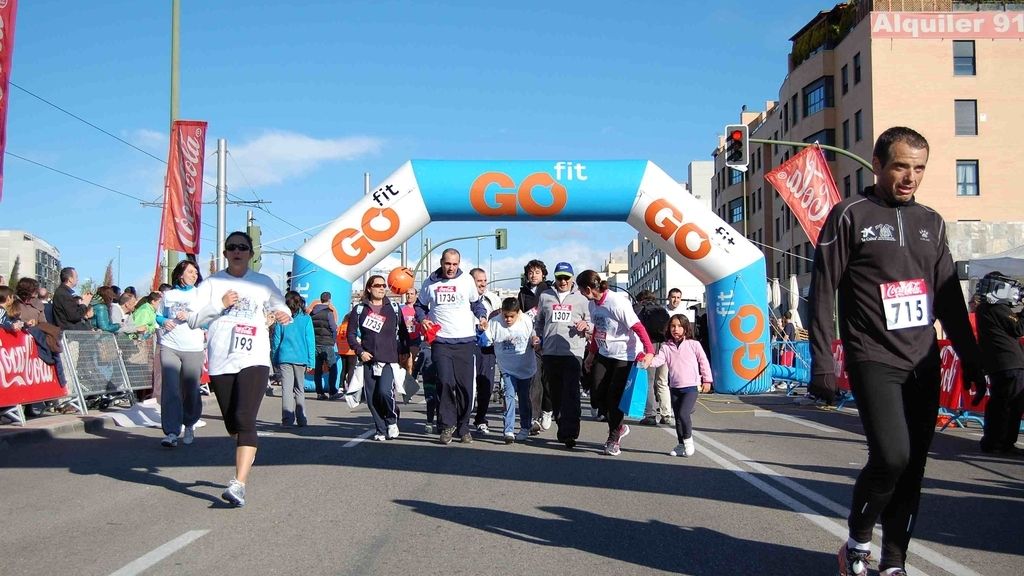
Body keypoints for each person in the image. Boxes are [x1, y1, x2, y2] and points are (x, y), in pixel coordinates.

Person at [808, 127, 987, 576]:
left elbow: (948, 298)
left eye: (919, 168)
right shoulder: (850, 214)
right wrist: (823, 363)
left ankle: (894, 562)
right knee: (891, 456)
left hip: (922, 361)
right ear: (878, 165)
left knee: (913, 468)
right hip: (873, 357)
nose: (910, 177)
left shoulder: (932, 222)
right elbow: (823, 290)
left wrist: (971, 358)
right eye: (901, 166)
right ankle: (857, 543)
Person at [183, 230, 291, 508]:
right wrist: (220, 305)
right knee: (233, 423)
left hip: (254, 357)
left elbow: (283, 308)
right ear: (225, 253)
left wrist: (283, 315)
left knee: (245, 418)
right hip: (221, 360)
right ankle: (247, 442)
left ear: (251, 254)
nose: (237, 251)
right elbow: (194, 319)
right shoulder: (212, 283)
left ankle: (239, 484)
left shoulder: (263, 283)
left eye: (243, 247)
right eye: (232, 247)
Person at [576, 269, 654, 456]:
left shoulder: (617, 303)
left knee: (614, 397)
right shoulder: (593, 305)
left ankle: (613, 438)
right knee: (595, 392)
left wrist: (649, 351)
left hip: (624, 355)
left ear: (588, 289)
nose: (579, 293)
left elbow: (638, 327)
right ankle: (619, 427)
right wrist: (591, 355)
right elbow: (598, 330)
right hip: (604, 353)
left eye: (580, 290)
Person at [415, 248, 486, 445]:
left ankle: (463, 427)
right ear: (441, 262)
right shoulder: (430, 282)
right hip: (441, 340)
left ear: (459, 264)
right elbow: (419, 306)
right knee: (445, 382)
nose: (451, 268)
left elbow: (476, 304)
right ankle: (447, 425)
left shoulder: (466, 281)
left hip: (465, 340)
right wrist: (423, 319)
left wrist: (482, 316)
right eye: (448, 264)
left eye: (455, 264)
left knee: (465, 387)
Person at [534, 261, 590, 448]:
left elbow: (592, 321)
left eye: (566, 278)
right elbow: (539, 321)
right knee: (555, 392)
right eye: (559, 278)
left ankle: (571, 432)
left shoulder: (582, 298)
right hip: (550, 351)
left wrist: (586, 326)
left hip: (573, 351)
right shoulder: (545, 296)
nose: (563, 281)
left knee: (571, 392)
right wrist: (538, 339)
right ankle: (561, 426)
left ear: (572, 278)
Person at [347, 274, 409, 440]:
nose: (382, 288)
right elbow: (351, 335)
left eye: (383, 286)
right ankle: (380, 429)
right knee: (372, 398)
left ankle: (391, 419)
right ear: (369, 288)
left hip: (389, 359)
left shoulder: (394, 308)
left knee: (384, 392)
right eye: (377, 285)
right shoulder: (360, 310)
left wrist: (406, 351)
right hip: (368, 360)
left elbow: (403, 332)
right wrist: (360, 351)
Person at [155, 260, 206, 447]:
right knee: (171, 389)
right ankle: (171, 432)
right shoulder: (168, 295)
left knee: (191, 389)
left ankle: (190, 422)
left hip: (193, 347)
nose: (194, 275)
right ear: (180, 274)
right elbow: (158, 315)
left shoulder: (200, 295)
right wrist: (163, 321)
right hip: (170, 344)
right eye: (191, 272)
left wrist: (191, 317)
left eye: (196, 272)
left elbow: (208, 320)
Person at [647, 314, 712, 457]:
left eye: (679, 326)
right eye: (672, 326)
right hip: (675, 387)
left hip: (691, 387)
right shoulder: (666, 347)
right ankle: (680, 444)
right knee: (677, 418)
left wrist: (707, 380)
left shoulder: (693, 344)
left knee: (683, 414)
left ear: (685, 328)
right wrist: (646, 361)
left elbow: (703, 361)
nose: (675, 329)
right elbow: (658, 360)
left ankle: (688, 441)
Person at [974, 272, 1024, 455]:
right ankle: (1001, 443)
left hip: (1000, 364)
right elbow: (1018, 328)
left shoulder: (985, 309)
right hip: (1009, 364)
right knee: (1010, 406)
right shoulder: (998, 309)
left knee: (999, 404)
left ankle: (993, 441)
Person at [483, 298, 538, 443]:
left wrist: (535, 341)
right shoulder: (495, 322)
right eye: (505, 316)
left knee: (524, 397)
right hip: (507, 367)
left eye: (511, 316)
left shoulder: (526, 320)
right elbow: (486, 340)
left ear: (518, 313)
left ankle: (525, 427)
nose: (508, 319)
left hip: (525, 367)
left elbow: (533, 335)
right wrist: (481, 330)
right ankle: (508, 430)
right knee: (509, 396)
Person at [518, 259, 554, 432]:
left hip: (550, 339)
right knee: (535, 378)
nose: (533, 275)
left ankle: (547, 410)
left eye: (537, 272)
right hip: (531, 340)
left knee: (549, 379)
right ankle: (534, 417)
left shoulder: (549, 291)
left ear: (543, 274)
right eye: (530, 272)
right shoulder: (522, 292)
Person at [271, 290, 315, 428]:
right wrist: (311, 361)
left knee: (286, 389)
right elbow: (310, 340)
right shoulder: (306, 318)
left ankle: (287, 419)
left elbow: (276, 341)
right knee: (299, 389)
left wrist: (274, 358)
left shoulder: (282, 318)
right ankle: (302, 419)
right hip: (301, 357)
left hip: (284, 356)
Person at [471, 267, 502, 433]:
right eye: (479, 281)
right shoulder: (464, 299)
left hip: (487, 347)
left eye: (484, 281)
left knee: (486, 384)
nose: (482, 284)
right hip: (468, 344)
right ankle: (460, 418)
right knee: (468, 384)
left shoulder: (492, 299)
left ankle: (481, 418)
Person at [634, 289, 672, 426]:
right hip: (664, 345)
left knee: (648, 381)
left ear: (640, 299)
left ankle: (650, 415)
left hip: (648, 346)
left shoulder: (639, 309)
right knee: (662, 381)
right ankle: (666, 413)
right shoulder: (661, 310)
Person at [309, 292, 341, 400]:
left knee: (318, 369)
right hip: (327, 344)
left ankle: (319, 393)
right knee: (332, 367)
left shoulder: (312, 313)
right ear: (329, 300)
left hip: (315, 343)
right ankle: (332, 392)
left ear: (320, 299)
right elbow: (333, 328)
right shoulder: (329, 313)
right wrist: (333, 340)